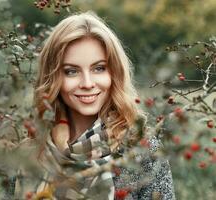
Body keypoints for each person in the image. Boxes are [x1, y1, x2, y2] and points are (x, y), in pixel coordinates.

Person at [30, 11, 175, 200]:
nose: (88, 83)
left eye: (99, 68)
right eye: (71, 71)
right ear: (52, 78)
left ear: (114, 73)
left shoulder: (141, 150)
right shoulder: (31, 152)